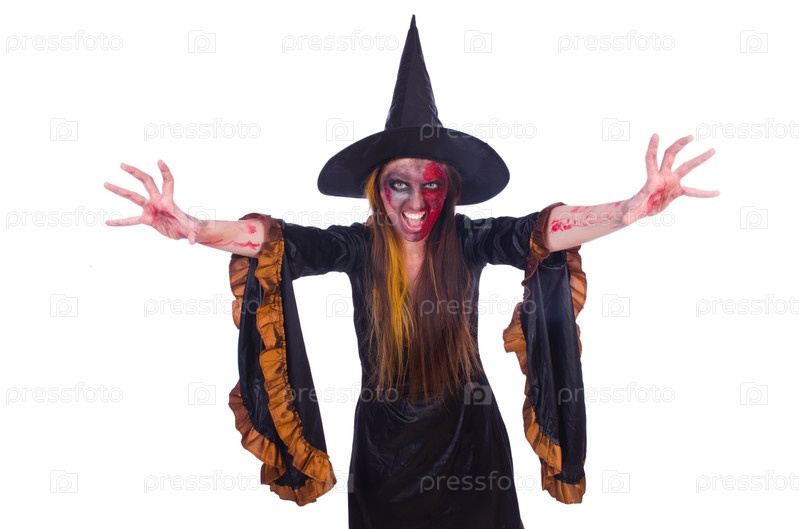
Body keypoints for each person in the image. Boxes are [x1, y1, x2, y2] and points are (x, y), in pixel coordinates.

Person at [105, 16, 716, 529]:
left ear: (449, 189)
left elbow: (542, 229)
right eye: (400, 184)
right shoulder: (357, 247)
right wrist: (195, 227)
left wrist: (628, 210)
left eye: (431, 185)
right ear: (378, 189)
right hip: (385, 458)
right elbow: (275, 240)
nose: (417, 203)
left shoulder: (469, 239)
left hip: (471, 447)